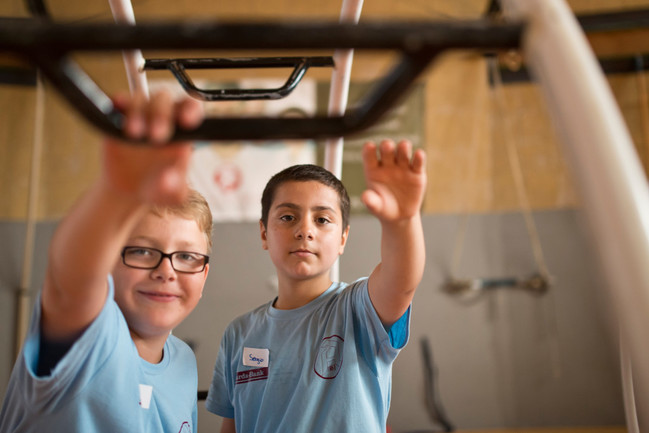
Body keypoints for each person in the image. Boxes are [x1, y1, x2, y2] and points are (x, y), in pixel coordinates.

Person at [0, 90, 210, 433]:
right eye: (143, 251)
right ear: (108, 263)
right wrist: (118, 191)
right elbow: (73, 281)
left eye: (186, 257)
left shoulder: (183, 360)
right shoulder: (94, 335)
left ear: (204, 274)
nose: (166, 271)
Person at [206, 139, 427, 432]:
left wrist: (403, 222)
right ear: (263, 233)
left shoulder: (358, 309)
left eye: (322, 219)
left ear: (343, 239)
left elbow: (401, 282)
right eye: (287, 217)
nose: (304, 230)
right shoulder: (239, 333)